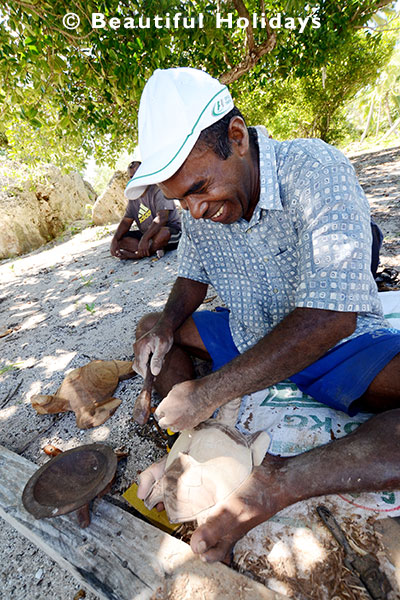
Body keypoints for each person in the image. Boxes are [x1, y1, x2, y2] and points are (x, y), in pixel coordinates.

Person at [126, 68, 400, 564]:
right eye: (179, 198)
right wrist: (167, 326)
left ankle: (279, 480)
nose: (193, 208)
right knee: (149, 330)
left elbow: (332, 318)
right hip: (248, 332)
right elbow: (191, 279)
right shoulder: (199, 208)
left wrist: (212, 389)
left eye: (199, 186)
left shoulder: (315, 169)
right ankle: (197, 443)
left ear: (237, 137)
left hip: (336, 344)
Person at [110, 161, 181, 260]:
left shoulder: (158, 189)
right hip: (148, 234)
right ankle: (154, 248)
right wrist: (115, 239)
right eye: (132, 177)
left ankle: (139, 254)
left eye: (137, 174)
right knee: (121, 239)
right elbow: (126, 222)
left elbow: (162, 218)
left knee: (163, 233)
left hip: (168, 230)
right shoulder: (133, 196)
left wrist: (145, 239)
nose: (135, 178)